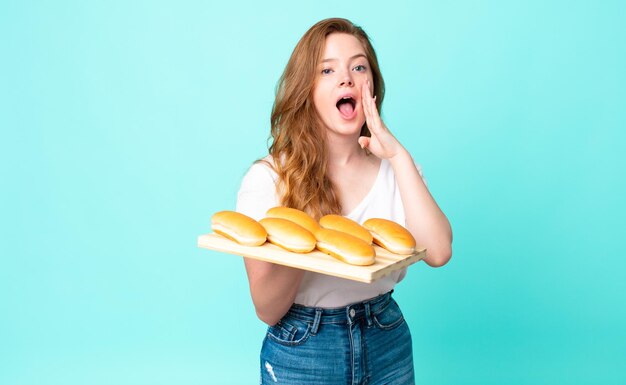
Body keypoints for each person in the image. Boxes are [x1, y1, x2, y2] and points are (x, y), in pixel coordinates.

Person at [236, 17, 452, 385]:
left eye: (358, 66)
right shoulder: (269, 180)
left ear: (372, 86)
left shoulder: (398, 169)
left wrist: (398, 157)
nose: (346, 78)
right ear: (306, 88)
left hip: (386, 336)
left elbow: (438, 252)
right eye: (327, 70)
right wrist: (302, 227)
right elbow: (267, 309)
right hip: (304, 347)